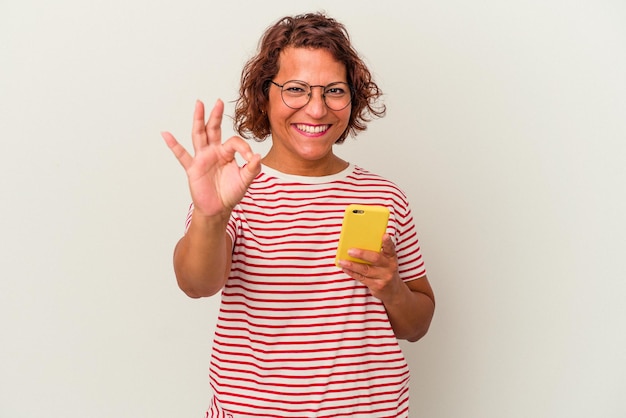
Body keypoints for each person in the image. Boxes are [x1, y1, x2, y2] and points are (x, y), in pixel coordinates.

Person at [162, 12, 435, 418]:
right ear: (263, 95)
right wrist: (211, 215)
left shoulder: (383, 195)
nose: (316, 108)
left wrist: (392, 289)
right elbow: (196, 284)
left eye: (334, 91)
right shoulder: (232, 190)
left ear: (352, 98)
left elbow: (417, 325)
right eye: (296, 89)